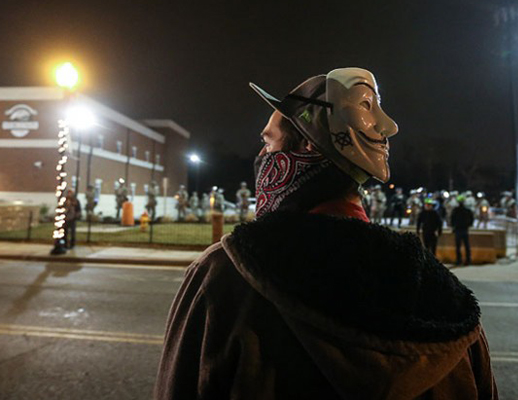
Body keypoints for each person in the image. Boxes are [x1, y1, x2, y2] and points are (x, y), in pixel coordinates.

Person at [155, 68, 497, 400]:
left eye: (269, 143)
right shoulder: (447, 303)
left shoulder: (226, 275)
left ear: (308, 147)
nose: (261, 156)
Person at [451, 195, 474, 266]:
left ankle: (459, 260)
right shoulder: (467, 210)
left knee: (458, 246)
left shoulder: (455, 210)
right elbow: (471, 218)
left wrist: (453, 226)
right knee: (466, 246)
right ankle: (468, 260)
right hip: (464, 229)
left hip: (458, 230)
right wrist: (468, 225)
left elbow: (452, 219)